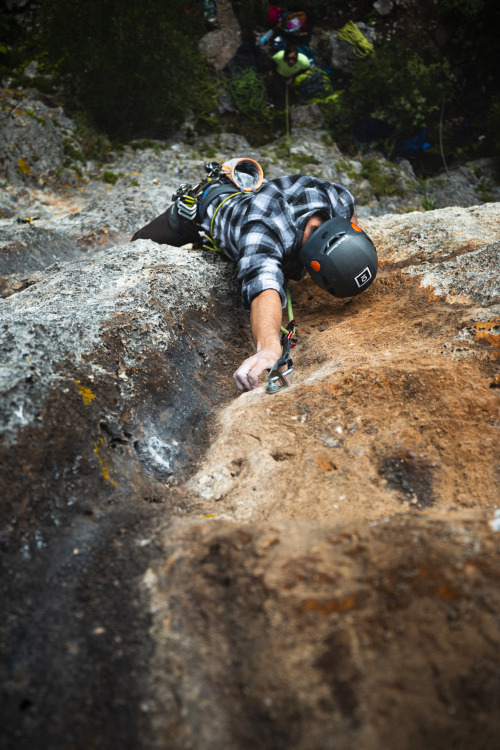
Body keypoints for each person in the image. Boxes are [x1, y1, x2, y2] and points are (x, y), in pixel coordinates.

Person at [131, 170, 377, 392]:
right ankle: (198, 199)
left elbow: (351, 217)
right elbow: (263, 285)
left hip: (256, 195)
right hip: (201, 209)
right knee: (138, 245)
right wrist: (269, 348)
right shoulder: (264, 227)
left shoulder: (340, 202)